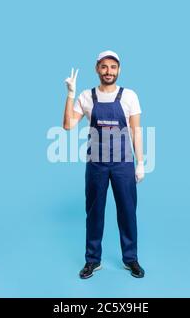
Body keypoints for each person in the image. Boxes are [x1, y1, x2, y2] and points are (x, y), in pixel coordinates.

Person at [63, 50, 145, 279]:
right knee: (94, 212)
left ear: (118, 70)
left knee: (127, 212)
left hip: (123, 164)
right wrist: (70, 95)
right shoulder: (86, 97)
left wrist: (141, 164)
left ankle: (131, 259)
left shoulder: (129, 96)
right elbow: (68, 125)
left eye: (113, 67)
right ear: (97, 69)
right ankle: (92, 261)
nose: (109, 71)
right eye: (104, 67)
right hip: (96, 164)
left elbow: (136, 131)